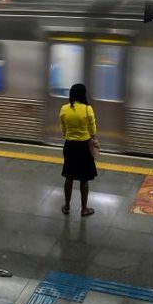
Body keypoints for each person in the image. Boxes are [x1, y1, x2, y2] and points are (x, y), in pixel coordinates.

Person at [59, 83, 98, 217]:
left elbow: (63, 129)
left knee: (69, 177)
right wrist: (91, 136)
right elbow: (93, 130)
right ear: (83, 94)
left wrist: (69, 135)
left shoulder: (64, 109)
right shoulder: (88, 109)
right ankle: (84, 208)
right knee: (84, 179)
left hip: (70, 146)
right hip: (84, 147)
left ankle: (67, 206)